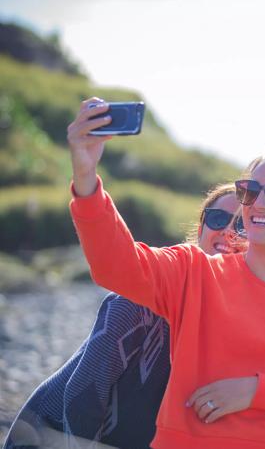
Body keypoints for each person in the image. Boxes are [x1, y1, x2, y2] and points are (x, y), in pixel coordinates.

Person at [64, 98, 265, 449]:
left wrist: (260, 391)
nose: (258, 203)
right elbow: (114, 266)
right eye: (250, 191)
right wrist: (86, 178)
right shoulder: (193, 272)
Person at [4, 183, 246, 449]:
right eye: (218, 218)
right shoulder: (141, 302)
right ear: (200, 230)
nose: (228, 231)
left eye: (243, 225)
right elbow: (82, 396)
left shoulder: (244, 321)